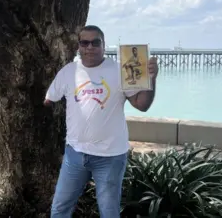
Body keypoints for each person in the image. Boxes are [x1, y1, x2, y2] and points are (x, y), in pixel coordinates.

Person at [44, 25, 158, 218]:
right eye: (84, 43)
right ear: (78, 47)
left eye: (95, 42)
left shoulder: (119, 71)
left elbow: (142, 105)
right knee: (59, 209)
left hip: (110, 157)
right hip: (75, 155)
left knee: (109, 212)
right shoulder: (68, 71)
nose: (90, 47)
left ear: (104, 45)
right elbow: (49, 99)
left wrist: (151, 80)